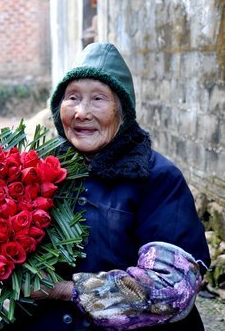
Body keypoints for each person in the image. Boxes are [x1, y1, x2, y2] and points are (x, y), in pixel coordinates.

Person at [11, 42, 211, 330]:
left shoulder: (158, 179)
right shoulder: (40, 170)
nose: (81, 112)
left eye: (98, 99)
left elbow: (171, 289)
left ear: (122, 111)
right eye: (72, 97)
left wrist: (62, 289)